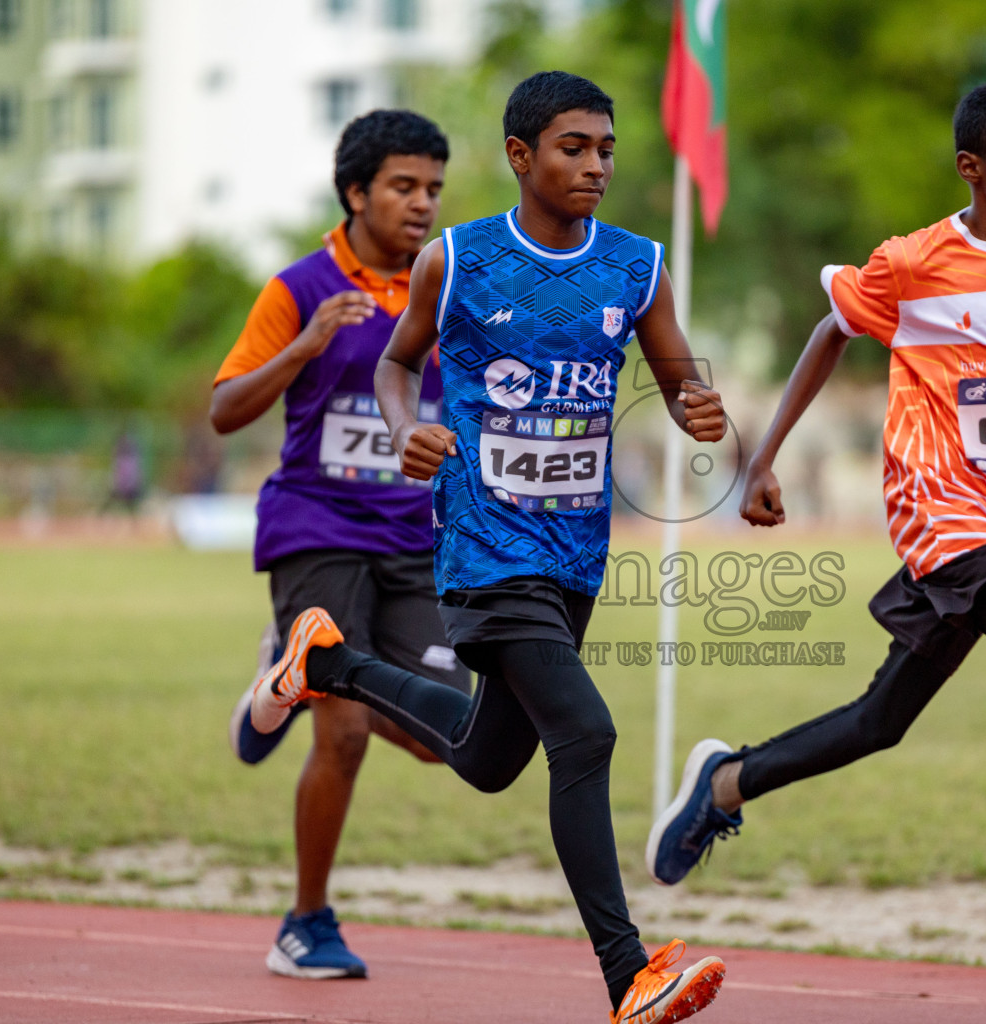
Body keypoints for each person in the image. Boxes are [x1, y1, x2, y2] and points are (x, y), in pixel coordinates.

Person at [645, 82, 986, 999]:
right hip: (940, 509)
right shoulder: (915, 261)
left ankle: (725, 785)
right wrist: (760, 461)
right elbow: (830, 330)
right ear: (973, 166)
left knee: (881, 723)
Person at [248, 72, 728, 1023]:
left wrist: (698, 409)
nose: (594, 164)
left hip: (576, 549)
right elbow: (397, 361)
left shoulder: (637, 265)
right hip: (483, 541)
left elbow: (678, 378)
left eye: (606, 148)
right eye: (573, 147)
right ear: (521, 156)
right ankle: (629, 972)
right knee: (584, 733)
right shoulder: (459, 261)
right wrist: (401, 429)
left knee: (483, 756)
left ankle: (331, 662)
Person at [211, 109, 471, 980]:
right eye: (403, 186)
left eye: (433, 188)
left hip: (412, 536)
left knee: (449, 736)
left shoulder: (451, 292)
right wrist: (308, 344)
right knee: (347, 729)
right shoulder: (298, 287)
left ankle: (280, 674)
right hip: (317, 527)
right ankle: (306, 923)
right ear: (356, 192)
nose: (422, 203)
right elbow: (225, 409)